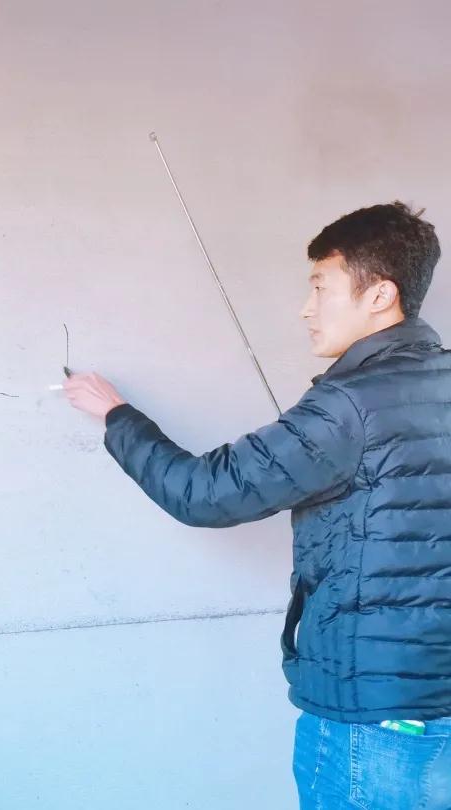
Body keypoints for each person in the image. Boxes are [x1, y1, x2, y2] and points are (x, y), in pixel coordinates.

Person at [62, 202, 451, 809]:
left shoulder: (348, 406)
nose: (306, 308)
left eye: (320, 287)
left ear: (380, 295)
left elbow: (203, 493)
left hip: (371, 724)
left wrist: (117, 416)